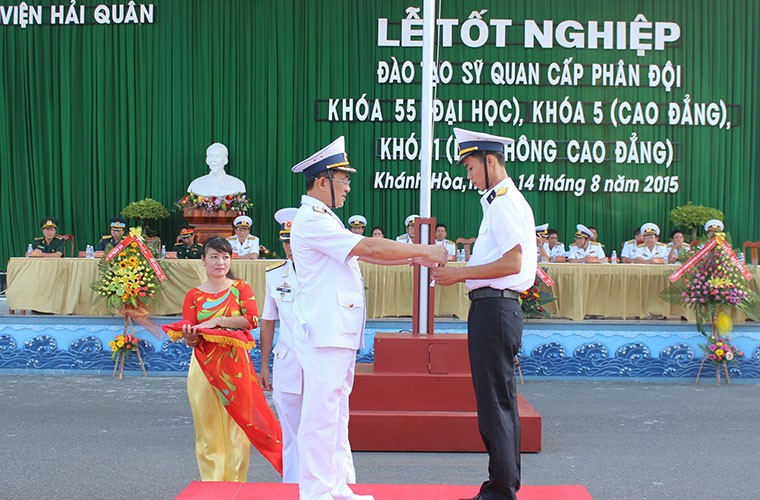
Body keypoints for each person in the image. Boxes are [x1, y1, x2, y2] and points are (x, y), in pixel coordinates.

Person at [290, 136, 447, 500]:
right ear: (322, 181)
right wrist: (422, 248)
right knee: (321, 414)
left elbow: (368, 255)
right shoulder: (312, 220)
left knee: (336, 412)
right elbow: (370, 247)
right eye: (343, 180)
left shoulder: (326, 219)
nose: (347, 188)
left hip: (336, 331)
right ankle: (315, 491)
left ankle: (335, 486)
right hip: (325, 331)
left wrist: (412, 258)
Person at [432, 128, 537, 500]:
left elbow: (512, 261)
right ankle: (502, 485)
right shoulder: (500, 202)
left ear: (490, 161)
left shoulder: (505, 201)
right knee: (498, 401)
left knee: (495, 402)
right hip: (495, 307)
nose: (469, 175)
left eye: (471, 166)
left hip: (495, 308)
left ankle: (500, 491)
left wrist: (459, 273)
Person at [161, 237, 283, 481]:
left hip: (235, 365)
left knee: (239, 427)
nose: (220, 262)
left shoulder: (240, 288)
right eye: (214, 257)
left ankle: (236, 486)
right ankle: (212, 487)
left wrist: (219, 321)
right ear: (203, 260)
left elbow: (252, 319)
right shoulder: (193, 295)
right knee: (207, 430)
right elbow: (191, 334)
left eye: (225, 257)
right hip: (202, 367)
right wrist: (191, 338)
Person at [259, 208, 304, 483]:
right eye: (286, 242)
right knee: (290, 432)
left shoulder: (325, 272)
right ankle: (292, 487)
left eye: (294, 240)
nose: (290, 247)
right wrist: (264, 365)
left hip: (319, 363)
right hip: (287, 362)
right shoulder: (275, 276)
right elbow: (268, 320)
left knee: (323, 430)